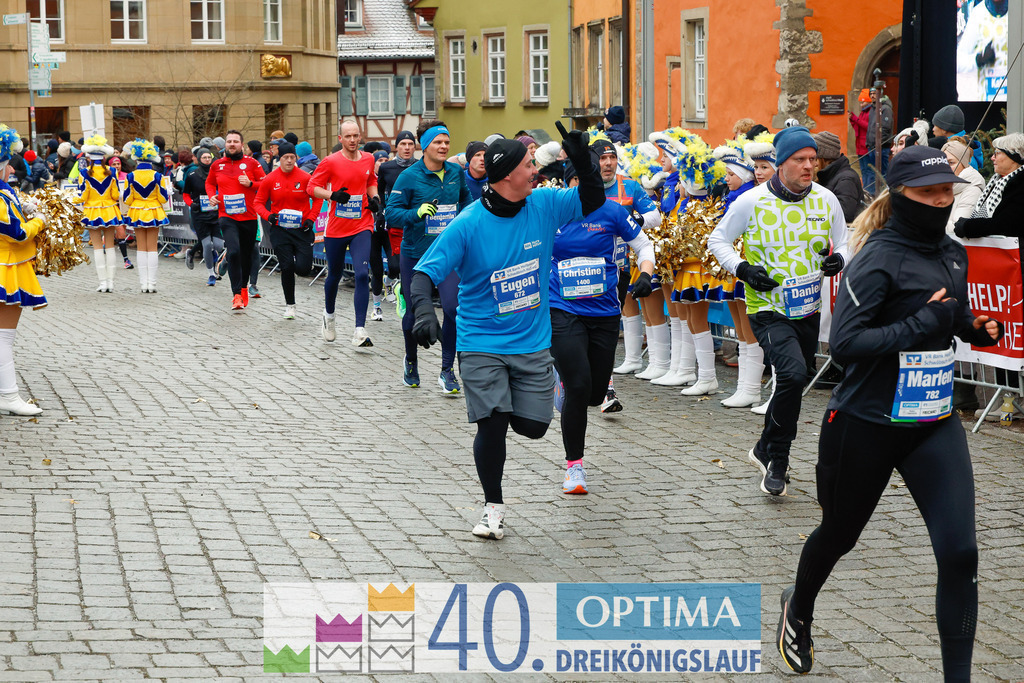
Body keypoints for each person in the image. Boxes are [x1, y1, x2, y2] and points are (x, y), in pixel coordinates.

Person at [777, 145, 1004, 680]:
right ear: (901, 198)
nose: (941, 201)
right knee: (839, 534)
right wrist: (925, 324)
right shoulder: (877, 257)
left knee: (960, 555)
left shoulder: (953, 252)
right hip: (866, 424)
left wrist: (970, 326)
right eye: (928, 194)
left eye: (947, 192)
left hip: (933, 424)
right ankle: (799, 605)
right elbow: (847, 345)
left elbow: (947, 308)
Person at [408, 123, 603, 540]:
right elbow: (425, 272)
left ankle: (531, 393)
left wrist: (583, 160)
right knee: (492, 423)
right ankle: (492, 508)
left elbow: (593, 198)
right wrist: (424, 310)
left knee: (533, 427)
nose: (536, 168)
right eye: (529, 163)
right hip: (481, 342)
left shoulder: (544, 205)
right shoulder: (469, 223)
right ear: (506, 176)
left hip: (532, 342)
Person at [709, 126, 849, 497]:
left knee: (796, 379)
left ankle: (763, 446)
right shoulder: (751, 201)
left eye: (813, 159)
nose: (809, 166)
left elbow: (847, 239)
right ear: (781, 163)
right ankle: (779, 459)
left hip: (807, 309)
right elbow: (717, 240)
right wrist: (742, 269)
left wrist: (839, 258)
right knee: (790, 374)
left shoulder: (826, 199)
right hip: (766, 307)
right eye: (800, 160)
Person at [550, 157, 655, 494]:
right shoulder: (551, 213)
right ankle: (574, 469)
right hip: (562, 307)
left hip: (605, 312)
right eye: (578, 182)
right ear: (568, 184)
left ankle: (564, 383)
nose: (585, 189)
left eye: (589, 181)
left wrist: (646, 274)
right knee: (579, 386)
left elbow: (644, 245)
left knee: (595, 393)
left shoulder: (611, 212)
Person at [386, 120, 472, 392]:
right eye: (438, 142)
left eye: (447, 142)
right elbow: (391, 213)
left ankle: (447, 370)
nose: (444, 146)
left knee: (452, 309)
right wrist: (416, 213)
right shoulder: (409, 176)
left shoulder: (456, 173)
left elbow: (467, 203)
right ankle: (411, 361)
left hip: (448, 257)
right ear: (425, 146)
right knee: (413, 313)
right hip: (417, 256)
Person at [307, 120, 380, 347]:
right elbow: (312, 187)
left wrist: (375, 198)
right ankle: (329, 316)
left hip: (362, 225)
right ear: (340, 139)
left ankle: (359, 330)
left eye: (355, 136)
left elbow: (371, 181)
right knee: (335, 275)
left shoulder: (368, 158)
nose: (352, 140)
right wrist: (332, 196)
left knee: (360, 274)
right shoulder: (330, 161)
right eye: (347, 136)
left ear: (360, 137)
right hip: (337, 228)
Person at [712, 142, 762, 407]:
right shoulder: (733, 199)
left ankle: (752, 387)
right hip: (736, 267)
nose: (726, 179)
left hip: (750, 267)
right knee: (739, 327)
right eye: (757, 167)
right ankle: (746, 386)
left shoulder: (750, 197)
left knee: (749, 326)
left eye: (731, 174)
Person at [0, 124, 44, 416]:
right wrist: (39, 221)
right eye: (6, 165)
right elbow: (16, 234)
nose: (11, 170)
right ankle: (8, 395)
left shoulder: (4, 191)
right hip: (6, 267)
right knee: (4, 337)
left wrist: (24, 207)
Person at [254, 141, 317, 319]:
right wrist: (269, 216)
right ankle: (290, 305)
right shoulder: (270, 179)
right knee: (287, 266)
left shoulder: (305, 177)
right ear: (279, 159)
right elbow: (258, 203)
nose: (289, 161)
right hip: (280, 230)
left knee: (303, 269)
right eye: (285, 157)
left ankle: (301, 270)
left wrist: (311, 219)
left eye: (292, 157)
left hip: (302, 229)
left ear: (296, 158)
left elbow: (318, 199)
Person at [205, 130, 266, 311]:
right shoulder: (217, 165)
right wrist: (212, 196)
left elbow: (265, 183)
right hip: (227, 216)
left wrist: (250, 184)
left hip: (248, 216)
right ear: (225, 145)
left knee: (246, 255)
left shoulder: (252, 163)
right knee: (233, 252)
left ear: (242, 145)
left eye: (235, 141)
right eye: (229, 141)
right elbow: (209, 183)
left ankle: (244, 287)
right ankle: (236, 295)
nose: (232, 144)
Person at [953, 132, 1024, 242]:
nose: (992, 158)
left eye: (997, 153)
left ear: (1013, 156)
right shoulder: (997, 181)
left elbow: (1005, 225)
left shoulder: (1019, 184)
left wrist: (967, 226)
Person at [76, 136, 123, 293]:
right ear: (104, 157)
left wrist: (71, 198)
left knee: (97, 247)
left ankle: (102, 283)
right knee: (110, 246)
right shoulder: (112, 171)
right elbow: (116, 195)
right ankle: (110, 282)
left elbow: (83, 196)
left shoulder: (84, 172)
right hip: (109, 210)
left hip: (92, 212)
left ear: (89, 157)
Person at [374, 131, 417, 303]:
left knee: (411, 265)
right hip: (395, 220)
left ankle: (407, 297)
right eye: (403, 144)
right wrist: (381, 212)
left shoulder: (420, 166)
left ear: (415, 147)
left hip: (415, 220)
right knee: (395, 265)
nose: (407, 148)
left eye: (410, 144)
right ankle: (390, 281)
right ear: (396, 147)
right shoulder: (387, 168)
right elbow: (380, 192)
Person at [122, 139, 169, 293]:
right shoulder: (158, 176)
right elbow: (163, 198)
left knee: (141, 247)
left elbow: (127, 199)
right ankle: (152, 284)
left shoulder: (130, 176)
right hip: (154, 210)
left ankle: (143, 284)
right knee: (152, 247)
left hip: (137, 211)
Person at [182, 148, 225, 286]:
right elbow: (186, 194)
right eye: (204, 157)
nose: (207, 160)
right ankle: (211, 274)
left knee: (218, 245)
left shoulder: (217, 174)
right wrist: (191, 204)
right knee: (207, 245)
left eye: (209, 157)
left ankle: (204, 256)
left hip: (215, 213)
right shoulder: (192, 175)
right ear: (199, 159)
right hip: (199, 214)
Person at [812, 131, 863, 223]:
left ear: (823, 158)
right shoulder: (830, 175)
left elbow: (845, 214)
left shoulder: (846, 179)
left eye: (815, 159)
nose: (814, 164)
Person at [941, 138, 985, 235]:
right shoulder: (938, 187)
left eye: (951, 162)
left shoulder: (973, 190)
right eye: (942, 162)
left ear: (964, 164)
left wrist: (926, 224)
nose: (945, 166)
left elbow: (958, 228)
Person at [930, 104, 983, 171]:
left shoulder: (961, 153)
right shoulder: (964, 147)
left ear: (944, 129)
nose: (933, 129)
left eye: (935, 125)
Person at [864, 90, 893, 195]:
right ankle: (872, 195)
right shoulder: (873, 109)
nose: (872, 96)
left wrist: (878, 143)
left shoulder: (885, 108)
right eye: (870, 94)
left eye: (874, 93)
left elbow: (886, 129)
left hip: (882, 147)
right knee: (872, 172)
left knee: (883, 172)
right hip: (872, 146)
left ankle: (884, 194)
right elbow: (870, 128)